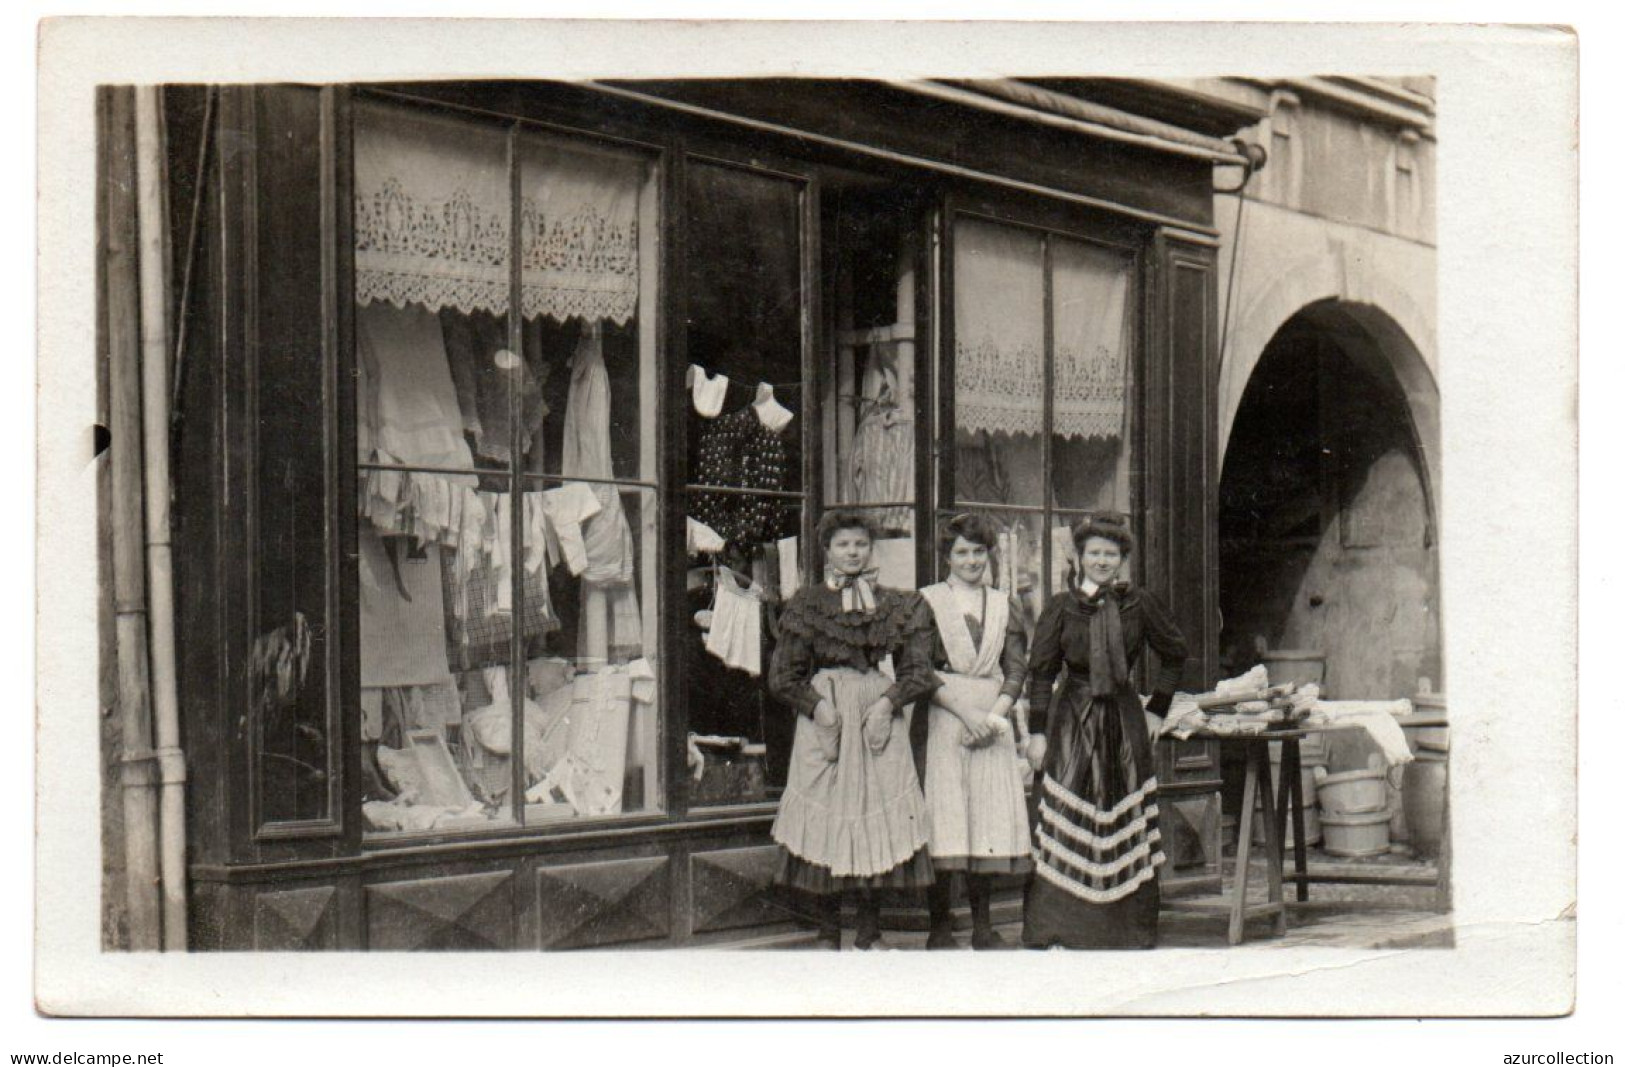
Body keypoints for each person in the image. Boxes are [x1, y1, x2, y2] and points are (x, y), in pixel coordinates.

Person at [767, 510, 940, 949]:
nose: (852, 552)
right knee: (827, 819)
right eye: (843, 544)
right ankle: (828, 933)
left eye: (860, 544)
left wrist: (888, 703)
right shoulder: (807, 604)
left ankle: (869, 932)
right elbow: (783, 676)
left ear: (871, 550)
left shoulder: (898, 605)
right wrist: (818, 707)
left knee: (873, 815)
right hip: (826, 719)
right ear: (826, 551)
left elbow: (919, 670)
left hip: (874, 721)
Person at [1022, 512, 1188, 949]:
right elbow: (1040, 674)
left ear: (1122, 559)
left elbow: (1175, 653)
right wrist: (1037, 733)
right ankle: (1059, 928)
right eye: (1094, 553)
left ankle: (1127, 930)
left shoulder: (1139, 603)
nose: (1101, 561)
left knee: (1124, 814)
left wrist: (1158, 711)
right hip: (1070, 721)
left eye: (1110, 554)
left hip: (1122, 720)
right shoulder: (1061, 607)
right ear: (1078, 557)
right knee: (1069, 815)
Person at [918, 514, 1033, 949]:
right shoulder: (927, 602)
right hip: (946, 713)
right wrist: (967, 716)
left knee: (986, 819)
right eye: (962, 552)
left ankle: (983, 926)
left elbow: (1016, 667)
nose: (970, 560)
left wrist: (997, 716)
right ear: (947, 557)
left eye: (978, 552)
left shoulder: (1005, 605)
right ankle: (940, 925)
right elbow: (918, 668)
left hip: (993, 718)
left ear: (989, 555)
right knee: (946, 816)